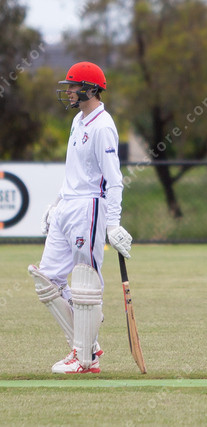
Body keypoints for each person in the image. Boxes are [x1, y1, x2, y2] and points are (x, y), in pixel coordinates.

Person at [28, 61, 132, 374]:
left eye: (74, 86)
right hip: (68, 205)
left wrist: (113, 223)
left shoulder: (103, 126)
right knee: (46, 279)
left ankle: (84, 358)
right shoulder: (78, 120)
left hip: (90, 207)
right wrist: (56, 203)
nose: (70, 91)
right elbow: (72, 170)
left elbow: (114, 180)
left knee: (85, 282)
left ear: (91, 89)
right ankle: (88, 342)